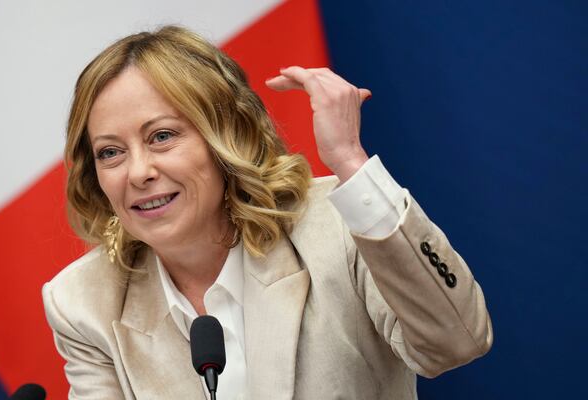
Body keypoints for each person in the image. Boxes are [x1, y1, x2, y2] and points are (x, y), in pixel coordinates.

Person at [42, 25, 492, 400]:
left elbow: (455, 343)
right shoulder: (84, 302)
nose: (138, 172)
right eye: (111, 152)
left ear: (226, 136)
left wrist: (351, 163)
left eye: (161, 136)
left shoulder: (336, 226)